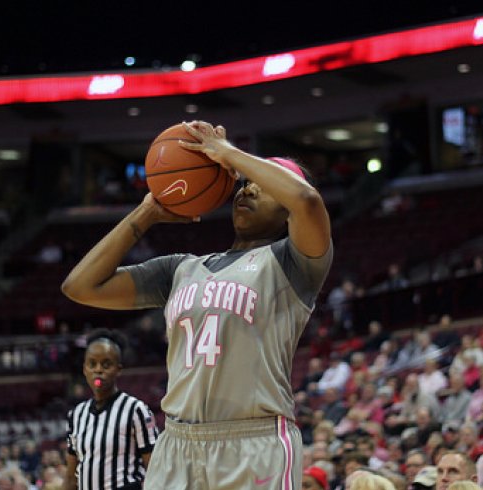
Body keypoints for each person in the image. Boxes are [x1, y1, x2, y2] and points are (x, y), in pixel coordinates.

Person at [61, 120, 333, 490]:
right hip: (176, 442)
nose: (248, 190)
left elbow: (307, 201)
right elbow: (80, 286)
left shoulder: (294, 265)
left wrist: (227, 152)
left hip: (253, 441)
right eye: (244, 185)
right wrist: (146, 214)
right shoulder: (181, 268)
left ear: (286, 210)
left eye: (264, 186)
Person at [65, 330, 159, 490]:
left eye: (106, 364)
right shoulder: (76, 415)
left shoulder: (136, 410)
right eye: (92, 364)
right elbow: (70, 477)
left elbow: (156, 469)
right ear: (84, 369)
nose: (98, 370)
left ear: (118, 369)